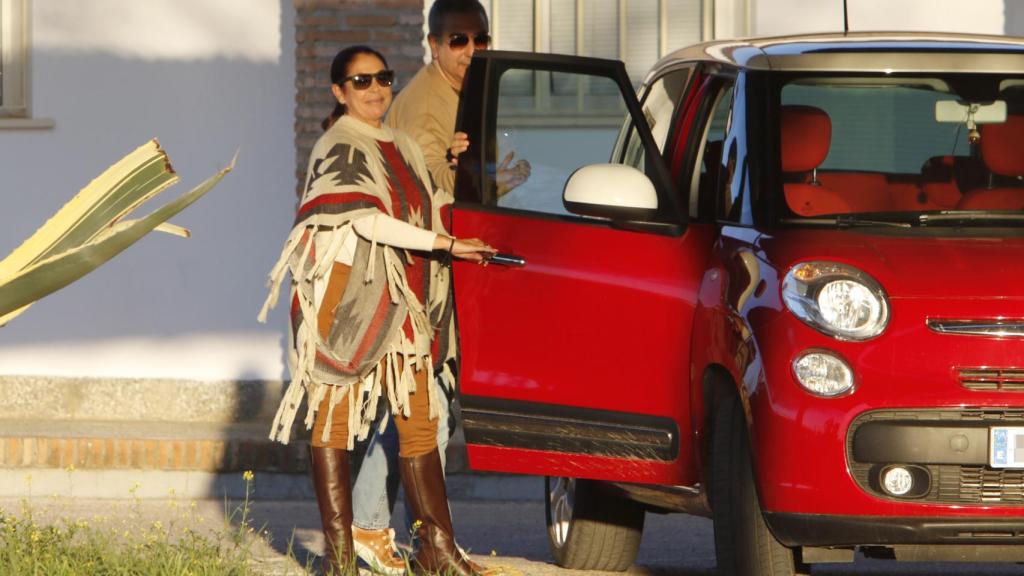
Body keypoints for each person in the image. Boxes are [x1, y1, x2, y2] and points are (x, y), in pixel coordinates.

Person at [258, 45, 495, 576]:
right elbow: (366, 220)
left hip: (401, 292)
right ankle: (341, 561)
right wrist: (445, 244)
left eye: (382, 78)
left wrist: (469, 178)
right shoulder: (336, 143)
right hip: (346, 297)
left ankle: (437, 552)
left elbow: (435, 204)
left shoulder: (405, 143)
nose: (375, 89)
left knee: (418, 417)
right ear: (339, 92)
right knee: (336, 423)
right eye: (360, 81)